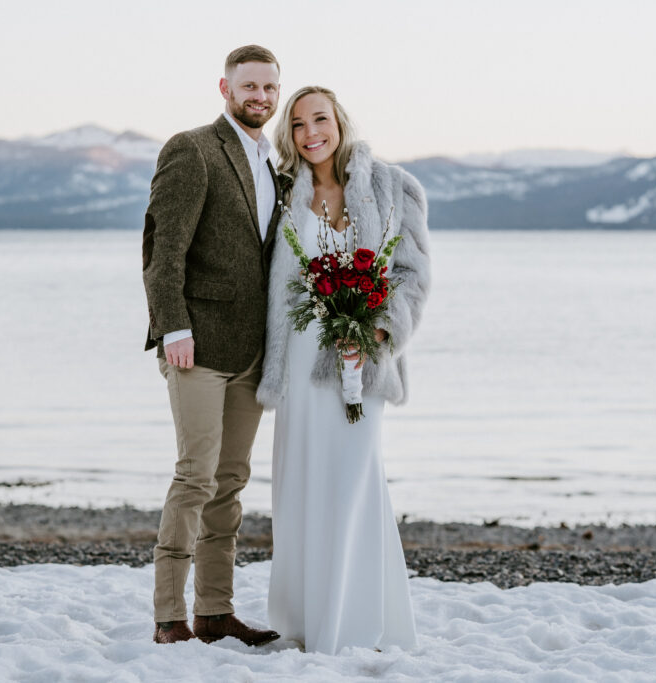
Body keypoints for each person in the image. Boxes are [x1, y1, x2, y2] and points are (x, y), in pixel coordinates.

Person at [256, 86, 431, 654]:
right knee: (300, 483)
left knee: (354, 482)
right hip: (299, 362)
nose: (312, 133)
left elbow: (411, 274)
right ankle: (306, 620)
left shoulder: (391, 186)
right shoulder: (282, 194)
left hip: (362, 359)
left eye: (321, 120)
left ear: (340, 121)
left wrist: (378, 329)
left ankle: (355, 623)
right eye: (300, 123)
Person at [142, 45, 283, 646]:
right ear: (224, 89)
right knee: (195, 479)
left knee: (230, 483)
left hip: (253, 351)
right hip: (195, 346)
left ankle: (215, 611)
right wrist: (172, 326)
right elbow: (161, 248)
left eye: (269, 89)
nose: (260, 97)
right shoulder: (193, 148)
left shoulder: (275, 162)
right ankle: (169, 617)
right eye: (249, 86)